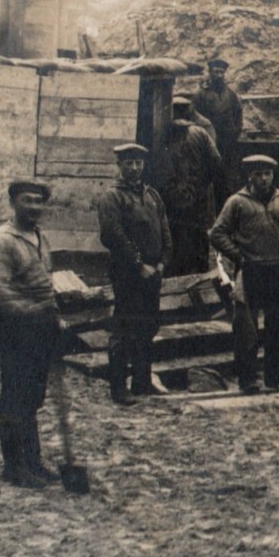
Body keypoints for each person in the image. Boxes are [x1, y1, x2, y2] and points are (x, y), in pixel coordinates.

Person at [0, 179, 61, 490]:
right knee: (14, 398)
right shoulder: (3, 241)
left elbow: (46, 281)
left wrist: (53, 314)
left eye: (39, 202)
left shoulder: (40, 236)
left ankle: (33, 461)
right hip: (16, 329)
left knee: (32, 398)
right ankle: (13, 466)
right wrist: (33, 311)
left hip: (41, 329)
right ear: (13, 203)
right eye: (27, 201)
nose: (34, 207)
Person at [210, 154, 279, 395]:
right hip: (251, 271)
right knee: (247, 330)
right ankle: (248, 380)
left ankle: (278, 377)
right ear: (250, 176)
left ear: (273, 175)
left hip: (278, 269)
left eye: (267, 173)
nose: (263, 178)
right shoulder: (237, 202)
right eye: (258, 174)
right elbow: (217, 234)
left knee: (278, 325)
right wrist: (239, 256)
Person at [96, 143, 170, 405]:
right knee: (125, 328)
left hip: (153, 272)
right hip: (128, 272)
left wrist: (162, 262)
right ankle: (119, 388)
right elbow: (113, 236)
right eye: (129, 163)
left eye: (139, 162)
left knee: (148, 326)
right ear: (119, 165)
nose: (135, 168)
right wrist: (139, 265)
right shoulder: (112, 197)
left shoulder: (152, 195)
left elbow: (164, 229)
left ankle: (142, 381)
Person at [155, 95, 222, 276]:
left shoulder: (165, 135)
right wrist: (202, 185)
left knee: (180, 239)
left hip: (180, 202)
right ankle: (197, 278)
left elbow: (161, 172)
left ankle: (185, 277)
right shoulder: (200, 132)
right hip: (194, 199)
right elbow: (216, 162)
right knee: (196, 240)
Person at [193, 57, 243, 207]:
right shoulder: (201, 93)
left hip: (228, 143)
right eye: (216, 72)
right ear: (210, 73)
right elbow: (195, 115)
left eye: (222, 72)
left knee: (227, 177)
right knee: (209, 176)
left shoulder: (231, 94)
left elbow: (238, 112)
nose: (219, 75)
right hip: (209, 141)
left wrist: (236, 131)